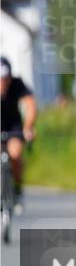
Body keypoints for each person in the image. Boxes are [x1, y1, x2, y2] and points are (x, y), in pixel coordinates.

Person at [1, 56, 38, 210]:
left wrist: (28, 127)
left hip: (13, 127)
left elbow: (30, 105)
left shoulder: (17, 84)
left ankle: (17, 189)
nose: (3, 84)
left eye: (5, 80)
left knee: (15, 154)